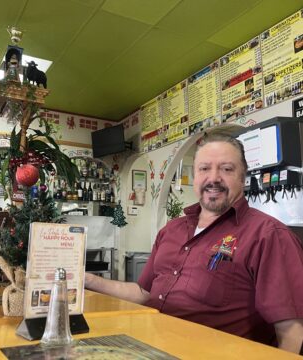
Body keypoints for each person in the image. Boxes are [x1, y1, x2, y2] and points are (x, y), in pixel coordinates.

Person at [85, 133, 303, 354]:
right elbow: (143, 292)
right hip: (149, 348)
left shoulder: (268, 235)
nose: (214, 178)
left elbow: (291, 332)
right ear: (195, 176)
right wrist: (86, 279)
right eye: (204, 168)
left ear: (242, 177)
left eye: (227, 169)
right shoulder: (171, 230)